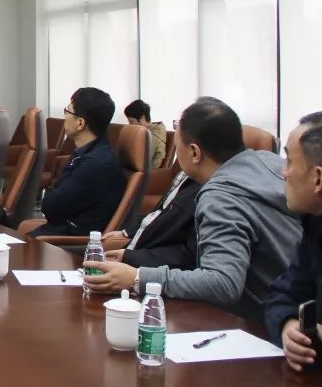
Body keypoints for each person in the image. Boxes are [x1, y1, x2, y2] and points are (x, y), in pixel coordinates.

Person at [84, 97, 302, 323]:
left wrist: (137, 277)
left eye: (178, 145)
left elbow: (222, 283)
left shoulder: (220, 197)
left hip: (265, 328)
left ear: (195, 153)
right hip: (300, 314)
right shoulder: (271, 162)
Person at [265, 112, 322, 371]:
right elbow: (283, 294)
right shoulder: (314, 222)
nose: (284, 172)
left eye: (289, 161)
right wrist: (287, 325)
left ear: (318, 178)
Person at [30, 87, 125, 237]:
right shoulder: (90, 153)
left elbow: (51, 206)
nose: (65, 116)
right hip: (57, 231)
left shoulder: (96, 164)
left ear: (80, 123)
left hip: (65, 241)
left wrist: (51, 194)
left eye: (68, 111)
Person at [102, 169, 202, 271]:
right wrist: (128, 233)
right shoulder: (186, 176)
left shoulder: (201, 195)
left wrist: (129, 257)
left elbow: (188, 258)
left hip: (150, 271)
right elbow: (159, 215)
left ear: (195, 158)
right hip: (138, 257)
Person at [125, 99, 168, 168]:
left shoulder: (153, 136)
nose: (130, 125)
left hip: (148, 172)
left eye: (131, 121)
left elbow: (140, 161)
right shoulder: (146, 131)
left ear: (142, 118)